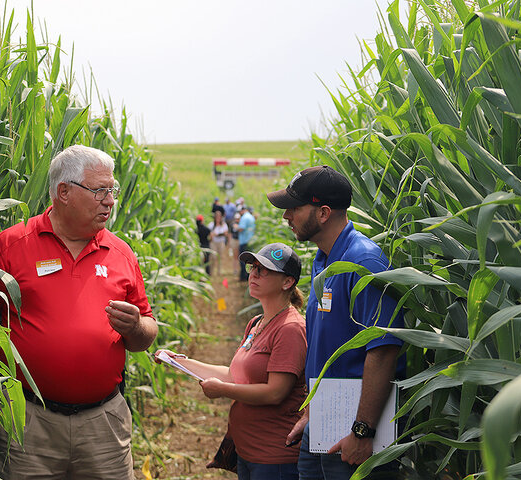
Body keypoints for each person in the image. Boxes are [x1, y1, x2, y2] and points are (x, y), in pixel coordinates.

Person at [0, 145, 158, 479]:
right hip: (28, 422)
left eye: (112, 191)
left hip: (104, 425)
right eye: (100, 191)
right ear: (63, 192)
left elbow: (146, 332)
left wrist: (135, 326)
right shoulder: (9, 247)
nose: (110, 200)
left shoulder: (121, 253)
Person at [267, 165, 405, 480]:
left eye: (294, 208)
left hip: (355, 434)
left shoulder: (363, 261)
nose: (286, 216)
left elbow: (383, 349)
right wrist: (312, 412)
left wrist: (362, 430)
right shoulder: (322, 260)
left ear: (324, 213)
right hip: (324, 424)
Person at [156, 243, 307, 480]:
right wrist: (182, 362)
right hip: (248, 450)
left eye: (264, 270)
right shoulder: (258, 322)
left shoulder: (290, 328)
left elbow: (275, 392)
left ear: (287, 282)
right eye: (253, 267)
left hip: (274, 457)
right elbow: (234, 374)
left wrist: (222, 390)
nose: (253, 274)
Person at [236, 205, 256, 281]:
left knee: (243, 260)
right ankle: (248, 275)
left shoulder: (244, 217)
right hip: (250, 240)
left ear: (242, 210)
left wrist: (236, 227)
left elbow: (241, 228)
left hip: (244, 240)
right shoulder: (251, 217)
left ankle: (243, 276)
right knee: (249, 260)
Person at [208, 210, 229, 275]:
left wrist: (216, 234)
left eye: (219, 216)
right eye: (216, 217)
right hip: (213, 242)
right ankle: (212, 271)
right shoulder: (211, 225)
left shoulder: (223, 224)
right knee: (213, 257)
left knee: (220, 257)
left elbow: (226, 233)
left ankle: (219, 271)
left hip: (221, 242)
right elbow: (210, 234)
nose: (218, 218)